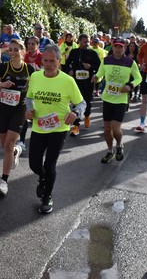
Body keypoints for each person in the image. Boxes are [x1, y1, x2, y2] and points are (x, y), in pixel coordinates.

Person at [25, 44, 85, 214]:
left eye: (52, 61)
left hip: (59, 128)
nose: (48, 64)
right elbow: (29, 98)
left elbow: (81, 102)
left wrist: (75, 112)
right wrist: (28, 110)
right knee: (34, 164)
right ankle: (42, 178)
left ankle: (47, 197)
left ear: (59, 61)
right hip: (39, 126)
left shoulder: (67, 80)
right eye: (45, 60)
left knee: (50, 164)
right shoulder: (36, 77)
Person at [0, 39, 35, 196]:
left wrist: (32, 106)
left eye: (16, 50)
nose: (13, 53)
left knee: (8, 145)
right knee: (6, 146)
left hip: (20, 110)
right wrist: (1, 85)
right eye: (11, 50)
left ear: (22, 52)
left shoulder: (29, 69)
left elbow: (36, 88)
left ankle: (4, 182)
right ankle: (17, 150)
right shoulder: (3, 67)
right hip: (4, 109)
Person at [93, 38, 142, 163]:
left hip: (121, 100)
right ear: (112, 47)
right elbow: (100, 75)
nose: (118, 49)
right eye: (116, 46)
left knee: (115, 128)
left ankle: (119, 145)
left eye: (120, 47)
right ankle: (110, 151)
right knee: (106, 129)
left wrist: (129, 86)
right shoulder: (106, 60)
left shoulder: (130, 62)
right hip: (108, 98)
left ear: (124, 48)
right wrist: (96, 78)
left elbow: (138, 78)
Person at [65, 34, 101, 137]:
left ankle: (87, 116)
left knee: (87, 101)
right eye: (85, 41)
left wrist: (90, 66)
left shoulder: (92, 53)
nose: (87, 43)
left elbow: (99, 66)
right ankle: (76, 126)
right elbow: (66, 64)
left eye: (88, 41)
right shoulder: (74, 52)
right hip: (76, 82)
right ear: (79, 41)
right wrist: (70, 70)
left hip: (88, 82)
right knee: (76, 102)